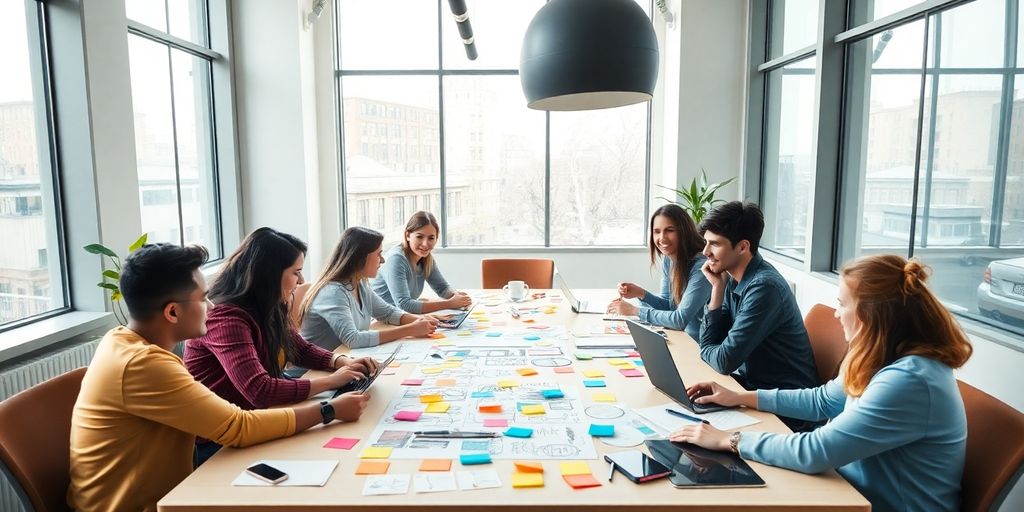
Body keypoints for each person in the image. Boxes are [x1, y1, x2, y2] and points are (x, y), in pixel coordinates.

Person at [69, 244, 371, 512]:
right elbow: (237, 426)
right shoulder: (143, 364)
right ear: (172, 312)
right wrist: (329, 410)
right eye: (203, 299)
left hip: (172, 486)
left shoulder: (123, 342)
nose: (212, 307)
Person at [669, 255, 973, 512]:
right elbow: (823, 401)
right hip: (844, 489)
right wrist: (740, 397)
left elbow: (817, 450)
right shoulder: (880, 355)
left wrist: (729, 440)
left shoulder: (910, 381)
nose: (837, 313)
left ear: (871, 315)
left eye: (842, 303)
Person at [184, 228, 378, 464]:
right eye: (296, 272)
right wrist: (332, 381)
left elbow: (300, 349)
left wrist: (341, 362)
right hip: (217, 443)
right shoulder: (226, 318)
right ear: (269, 275)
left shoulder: (268, 304)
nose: (302, 280)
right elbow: (259, 390)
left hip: (257, 421)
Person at [696, 201, 819, 427]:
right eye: (706, 242)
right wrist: (717, 289)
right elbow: (713, 346)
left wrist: (709, 350)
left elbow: (723, 360)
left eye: (714, 244)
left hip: (785, 414)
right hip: (750, 391)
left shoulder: (764, 287)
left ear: (743, 247)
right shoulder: (733, 278)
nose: (705, 252)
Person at [299, 226, 438, 350]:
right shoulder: (333, 292)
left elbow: (387, 313)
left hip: (344, 362)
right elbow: (353, 339)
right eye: (379, 254)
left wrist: (421, 321)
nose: (382, 260)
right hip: (313, 372)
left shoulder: (360, 283)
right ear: (360, 257)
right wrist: (410, 330)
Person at [607, 204, 711, 339]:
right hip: (682, 338)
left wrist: (634, 311)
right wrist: (641, 293)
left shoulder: (701, 268)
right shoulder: (670, 260)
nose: (662, 238)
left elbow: (679, 320)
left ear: (684, 231)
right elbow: (668, 306)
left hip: (697, 346)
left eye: (669, 230)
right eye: (656, 231)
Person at [371, 211, 471, 314]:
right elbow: (404, 304)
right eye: (419, 237)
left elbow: (442, 288)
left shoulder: (425, 258)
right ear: (408, 235)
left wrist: (456, 296)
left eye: (431, 238)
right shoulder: (396, 259)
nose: (425, 244)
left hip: (402, 317)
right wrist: (450, 303)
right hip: (380, 319)